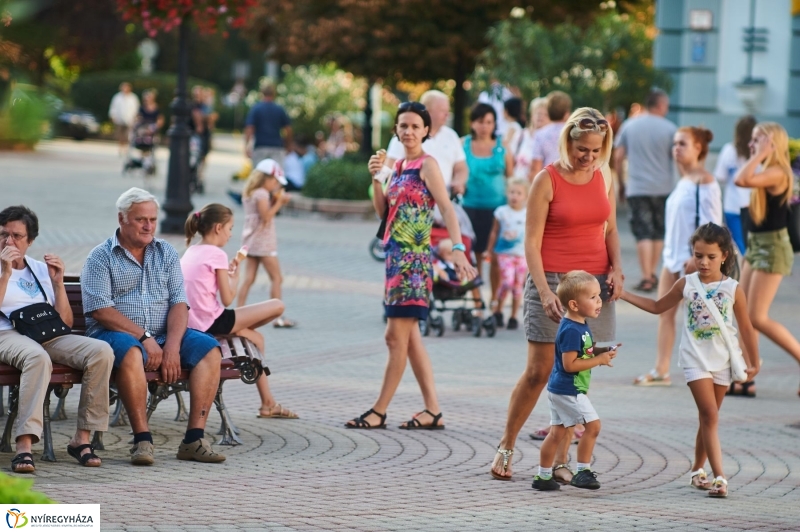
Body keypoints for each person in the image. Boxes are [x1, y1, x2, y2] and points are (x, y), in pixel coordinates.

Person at [490, 107, 623, 483]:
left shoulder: (604, 174)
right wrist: (546, 291)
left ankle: (562, 459)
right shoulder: (545, 180)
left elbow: (610, 229)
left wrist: (617, 268)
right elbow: (530, 244)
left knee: (579, 371)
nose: (589, 157)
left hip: (595, 283)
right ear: (568, 142)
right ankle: (507, 445)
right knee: (538, 372)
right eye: (583, 149)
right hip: (552, 278)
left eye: (596, 150)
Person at [346, 102, 476, 430]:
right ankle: (432, 410)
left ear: (426, 131)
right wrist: (377, 179)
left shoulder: (427, 165)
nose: (408, 131)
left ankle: (379, 410)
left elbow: (446, 209)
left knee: (395, 337)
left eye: (415, 126)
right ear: (396, 131)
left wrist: (458, 248)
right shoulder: (399, 165)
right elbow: (383, 213)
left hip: (414, 262)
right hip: (395, 258)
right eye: (403, 126)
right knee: (410, 337)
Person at [81, 188, 226, 465]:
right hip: (113, 335)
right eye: (140, 220)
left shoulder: (166, 252)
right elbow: (101, 311)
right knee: (132, 352)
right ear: (122, 218)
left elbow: (179, 304)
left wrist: (172, 345)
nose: (148, 226)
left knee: (210, 349)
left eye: (153, 220)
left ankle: (194, 440)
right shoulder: (100, 257)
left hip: (162, 335)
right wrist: (144, 336)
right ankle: (142, 441)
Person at [621, 223, 760, 498]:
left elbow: (746, 327)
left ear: (724, 256)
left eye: (710, 256)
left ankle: (697, 470)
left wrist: (755, 362)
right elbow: (658, 306)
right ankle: (720, 476)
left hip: (722, 361)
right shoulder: (686, 284)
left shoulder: (733, 289)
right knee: (709, 415)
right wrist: (623, 294)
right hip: (694, 359)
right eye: (698, 255)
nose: (703, 262)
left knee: (708, 418)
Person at [0, 206, 113, 473]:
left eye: (17, 236)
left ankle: (81, 439)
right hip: (7, 335)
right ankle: (24, 446)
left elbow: (65, 323)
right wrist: (5, 273)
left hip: (44, 334)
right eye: (3, 234)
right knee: (36, 357)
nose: (8, 242)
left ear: (30, 241)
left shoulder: (38, 270)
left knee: (101, 352)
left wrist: (59, 284)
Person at [181, 204, 298, 419]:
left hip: (193, 322)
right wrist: (235, 276)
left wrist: (228, 275)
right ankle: (268, 404)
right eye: (230, 228)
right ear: (218, 228)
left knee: (257, 339)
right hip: (212, 321)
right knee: (278, 305)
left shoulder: (192, 250)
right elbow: (227, 298)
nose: (230, 234)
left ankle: (268, 404)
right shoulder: (216, 254)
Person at [634, 127, 722, 386]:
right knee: (665, 313)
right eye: (674, 144)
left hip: (693, 262)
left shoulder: (705, 182)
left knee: (702, 320)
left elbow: (713, 225)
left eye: (683, 143)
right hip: (671, 258)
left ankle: (713, 372)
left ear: (698, 148)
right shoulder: (683, 181)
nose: (676, 148)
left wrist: (698, 258)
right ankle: (662, 369)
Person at [531, 271, 619, 491]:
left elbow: (584, 352)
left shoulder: (579, 324)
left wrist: (601, 350)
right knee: (593, 426)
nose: (599, 301)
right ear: (574, 304)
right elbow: (570, 364)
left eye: (598, 296)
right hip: (569, 389)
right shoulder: (572, 329)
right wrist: (599, 360)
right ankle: (583, 471)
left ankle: (542, 476)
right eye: (592, 297)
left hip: (560, 388)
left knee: (557, 433)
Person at [734, 122, 800, 397]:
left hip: (773, 248)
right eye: (752, 140)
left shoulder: (777, 172)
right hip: (758, 244)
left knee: (757, 317)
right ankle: (747, 373)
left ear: (772, 144)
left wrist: (759, 155)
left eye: (758, 140)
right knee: (744, 314)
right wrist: (758, 155)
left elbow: (741, 179)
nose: (752, 144)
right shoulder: (766, 169)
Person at [613, 89, 678, 293]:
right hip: (664, 187)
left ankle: (646, 275)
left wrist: (621, 183)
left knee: (643, 232)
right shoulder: (670, 129)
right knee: (658, 230)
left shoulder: (630, 125)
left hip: (637, 187)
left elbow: (618, 156)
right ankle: (652, 272)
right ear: (659, 105)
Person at [461, 103, 514, 323]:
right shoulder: (463, 145)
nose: (485, 126)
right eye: (480, 121)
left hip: (498, 210)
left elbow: (511, 177)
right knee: (474, 258)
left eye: (489, 122)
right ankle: (477, 303)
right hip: (470, 208)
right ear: (473, 123)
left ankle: (495, 303)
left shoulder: (503, 147)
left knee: (495, 258)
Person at [236, 159, 295, 328]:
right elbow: (266, 216)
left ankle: (238, 313)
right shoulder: (261, 193)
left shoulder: (251, 192)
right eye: (275, 181)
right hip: (263, 243)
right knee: (277, 278)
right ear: (266, 178)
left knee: (249, 279)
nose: (276, 185)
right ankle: (277, 317)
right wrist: (279, 203)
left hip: (251, 240)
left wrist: (275, 199)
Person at [384, 90, 468, 194]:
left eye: (448, 110)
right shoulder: (405, 136)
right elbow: (388, 170)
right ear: (427, 111)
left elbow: (461, 167)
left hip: (445, 200)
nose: (447, 114)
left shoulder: (451, 135)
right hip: (411, 204)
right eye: (442, 110)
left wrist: (458, 182)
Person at [486, 177, 528, 330]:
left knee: (518, 286)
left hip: (521, 255)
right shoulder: (501, 212)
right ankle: (497, 309)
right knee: (507, 281)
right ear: (506, 193)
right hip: (504, 253)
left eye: (518, 193)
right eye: (511, 192)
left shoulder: (527, 214)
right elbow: (494, 232)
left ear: (525, 196)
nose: (514, 196)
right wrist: (489, 250)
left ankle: (513, 316)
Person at [713, 116, 757, 254]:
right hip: (754, 205)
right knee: (753, 245)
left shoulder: (729, 150)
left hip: (732, 205)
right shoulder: (759, 154)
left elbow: (720, 176)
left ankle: (745, 274)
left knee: (741, 245)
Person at [527, 91, 573, 181]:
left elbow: (536, 168)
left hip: (548, 181)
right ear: (567, 113)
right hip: (568, 181)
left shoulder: (540, 134)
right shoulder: (572, 133)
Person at [245, 82, 292, 168]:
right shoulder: (279, 109)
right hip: (276, 146)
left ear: (262, 93)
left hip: (260, 146)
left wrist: (247, 145)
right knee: (276, 175)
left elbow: (249, 128)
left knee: (259, 175)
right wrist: (288, 145)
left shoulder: (256, 109)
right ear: (274, 94)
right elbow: (288, 129)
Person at [514, 97, 550, 179]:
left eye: (546, 115)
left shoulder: (552, 141)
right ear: (532, 115)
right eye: (538, 113)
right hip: (518, 186)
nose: (541, 117)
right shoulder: (521, 134)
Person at [108, 82, 140, 156]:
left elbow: (136, 108)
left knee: (128, 135)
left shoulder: (133, 98)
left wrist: (135, 117)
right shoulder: (117, 97)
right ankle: (120, 148)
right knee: (120, 135)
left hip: (129, 119)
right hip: (119, 119)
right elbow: (113, 107)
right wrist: (113, 116)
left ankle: (126, 148)